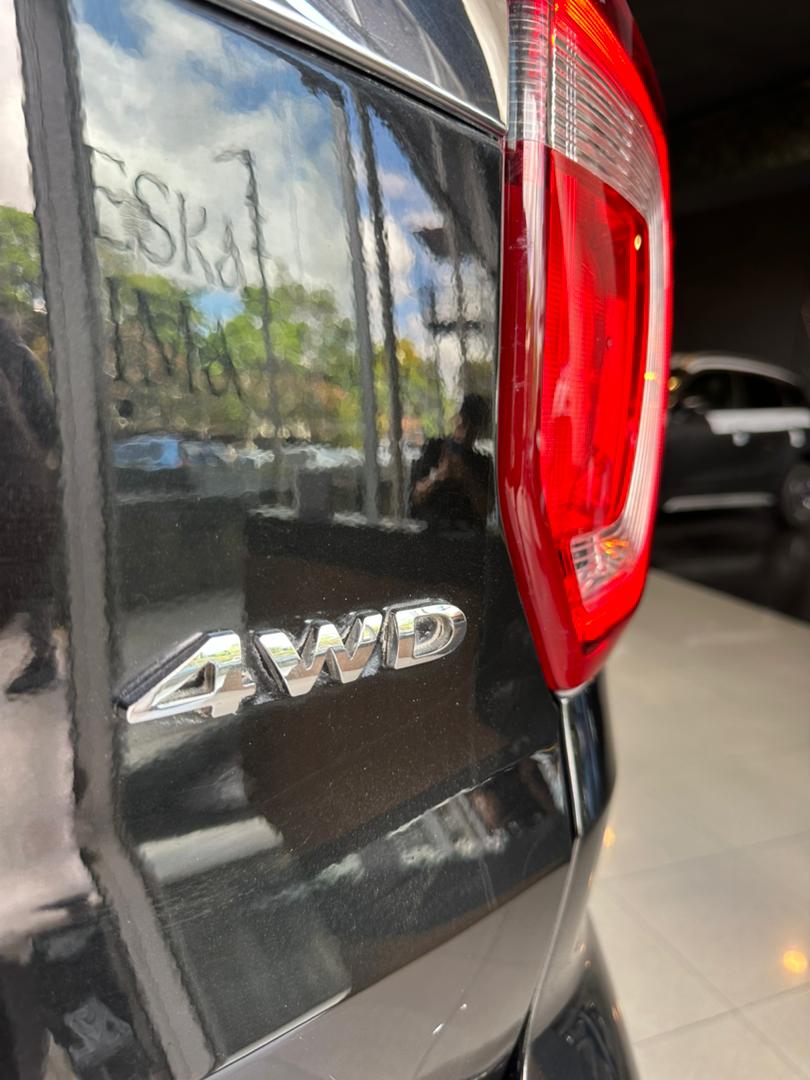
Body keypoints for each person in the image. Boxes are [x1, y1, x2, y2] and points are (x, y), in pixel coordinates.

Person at [0, 317, 59, 694]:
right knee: (31, 573)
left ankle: (43, 655)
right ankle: (42, 654)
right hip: (22, 482)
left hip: (17, 485)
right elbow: (47, 425)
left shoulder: (17, 360)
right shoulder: (20, 359)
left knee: (27, 571)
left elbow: (45, 424)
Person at [409, 393, 492, 531]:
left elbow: (486, 512)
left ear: (478, 431)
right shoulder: (434, 449)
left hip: (468, 536)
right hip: (431, 532)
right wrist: (437, 476)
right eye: (463, 424)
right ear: (456, 420)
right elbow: (415, 497)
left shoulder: (482, 463)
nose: (465, 433)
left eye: (472, 429)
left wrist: (465, 476)